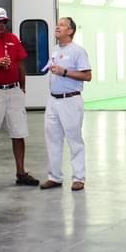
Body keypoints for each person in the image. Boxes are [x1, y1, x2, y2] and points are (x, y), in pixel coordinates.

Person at [0, 7, 38, 187]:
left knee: (19, 131)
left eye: (4, 22)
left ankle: (21, 173)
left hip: (14, 90)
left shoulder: (13, 39)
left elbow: (20, 63)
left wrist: (22, 85)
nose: (2, 25)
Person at [40, 17, 92, 191]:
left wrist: (64, 72)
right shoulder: (54, 49)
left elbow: (87, 76)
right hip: (53, 100)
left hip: (70, 100)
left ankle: (78, 178)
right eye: (58, 24)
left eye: (62, 25)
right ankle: (54, 176)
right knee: (52, 139)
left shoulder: (78, 51)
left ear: (70, 31)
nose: (57, 27)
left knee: (74, 139)